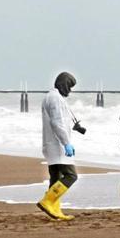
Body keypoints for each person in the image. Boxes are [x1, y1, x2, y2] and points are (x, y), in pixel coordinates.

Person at [36, 72, 79, 221]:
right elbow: (57, 123)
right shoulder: (55, 99)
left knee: (55, 177)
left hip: (51, 144)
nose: (70, 90)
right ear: (64, 84)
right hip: (57, 145)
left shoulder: (51, 97)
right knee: (71, 175)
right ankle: (47, 201)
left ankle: (55, 210)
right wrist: (66, 143)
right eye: (69, 86)